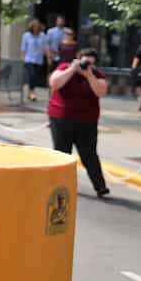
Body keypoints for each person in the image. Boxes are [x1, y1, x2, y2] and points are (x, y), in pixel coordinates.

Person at [48, 46, 110, 198]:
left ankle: (100, 186)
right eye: (84, 62)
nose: (86, 66)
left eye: (90, 63)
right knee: (62, 153)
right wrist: (71, 70)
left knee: (89, 155)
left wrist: (89, 75)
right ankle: (59, 185)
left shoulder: (96, 74)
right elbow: (54, 83)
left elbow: (101, 92)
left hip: (87, 121)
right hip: (62, 118)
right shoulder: (64, 67)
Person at [22, 20, 49, 101]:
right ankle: (31, 92)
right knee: (32, 75)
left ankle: (30, 92)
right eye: (34, 26)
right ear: (32, 27)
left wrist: (48, 57)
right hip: (29, 59)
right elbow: (23, 48)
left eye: (37, 26)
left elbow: (45, 47)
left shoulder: (43, 35)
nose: (36, 28)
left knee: (35, 77)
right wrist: (23, 59)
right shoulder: (26, 35)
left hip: (38, 60)